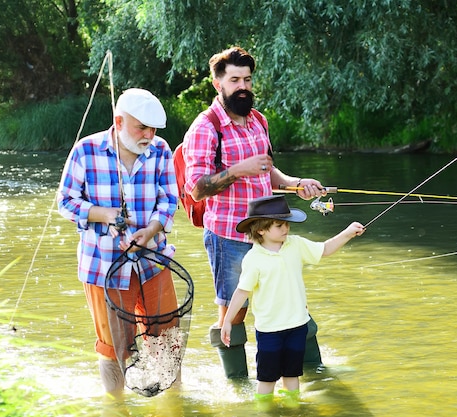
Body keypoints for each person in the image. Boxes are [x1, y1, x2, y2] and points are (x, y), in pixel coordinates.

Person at [182, 46, 327, 378]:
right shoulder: (206, 127)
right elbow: (196, 188)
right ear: (218, 82)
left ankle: (315, 375)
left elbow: (268, 172)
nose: (242, 86)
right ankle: (238, 384)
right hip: (229, 236)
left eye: (247, 79)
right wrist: (237, 170)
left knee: (292, 302)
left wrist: (296, 183)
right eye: (234, 80)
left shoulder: (257, 119)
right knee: (234, 314)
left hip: (269, 233)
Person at [57, 88, 179, 396]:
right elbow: (65, 202)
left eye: (153, 129)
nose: (148, 135)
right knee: (113, 348)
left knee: (167, 341)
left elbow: (169, 200)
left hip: (153, 261)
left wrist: (151, 230)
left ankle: (174, 404)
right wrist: (103, 214)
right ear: (119, 120)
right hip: (103, 266)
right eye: (141, 127)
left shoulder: (161, 149)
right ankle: (116, 406)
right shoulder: (86, 150)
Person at [221, 195, 365, 403]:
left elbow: (324, 250)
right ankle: (265, 411)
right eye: (279, 225)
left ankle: (293, 408)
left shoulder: (295, 245)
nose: (285, 229)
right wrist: (227, 321)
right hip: (269, 330)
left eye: (287, 224)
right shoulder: (253, 259)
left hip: (298, 325)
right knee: (267, 379)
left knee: (292, 375)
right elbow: (242, 292)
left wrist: (348, 233)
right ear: (261, 229)